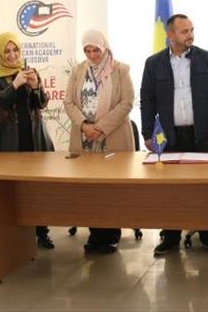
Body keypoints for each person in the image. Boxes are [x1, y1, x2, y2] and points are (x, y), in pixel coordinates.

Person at [141, 14, 208, 256]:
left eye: (191, 30)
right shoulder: (153, 63)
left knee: (205, 188)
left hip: (201, 134)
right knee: (170, 189)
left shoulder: (207, 59)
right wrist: (147, 133)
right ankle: (170, 236)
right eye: (184, 31)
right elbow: (147, 100)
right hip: (169, 135)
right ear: (170, 34)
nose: (190, 35)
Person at [63, 29, 135, 254]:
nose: (92, 55)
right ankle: (95, 233)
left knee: (110, 188)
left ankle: (111, 234)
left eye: (96, 50)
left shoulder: (120, 70)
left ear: (104, 47)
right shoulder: (78, 70)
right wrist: (84, 125)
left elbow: (127, 102)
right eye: (87, 50)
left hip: (111, 137)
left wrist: (101, 128)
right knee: (89, 188)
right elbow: (68, 102)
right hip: (85, 138)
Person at [0, 32, 55, 249]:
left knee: (37, 188)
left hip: (33, 136)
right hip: (8, 138)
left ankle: (42, 231)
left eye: (15, 50)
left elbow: (41, 104)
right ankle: (12, 234)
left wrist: (35, 86)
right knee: (11, 190)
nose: (12, 55)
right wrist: (14, 85)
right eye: (7, 51)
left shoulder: (30, 71)